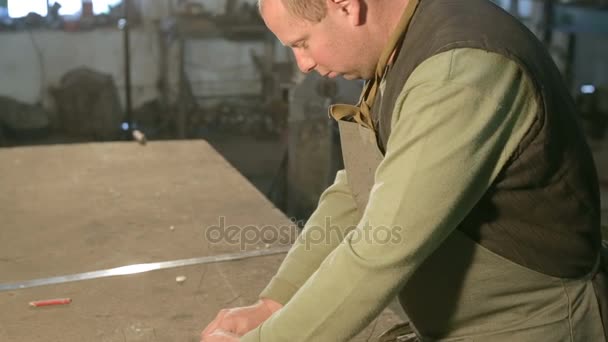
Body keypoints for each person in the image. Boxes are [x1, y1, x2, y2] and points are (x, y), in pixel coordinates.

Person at [201, 0, 608, 341]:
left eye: (303, 42)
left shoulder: (459, 73)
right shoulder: (403, 49)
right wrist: (275, 304)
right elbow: (358, 192)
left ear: (345, 5)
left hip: (532, 327)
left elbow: (382, 248)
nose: (303, 64)